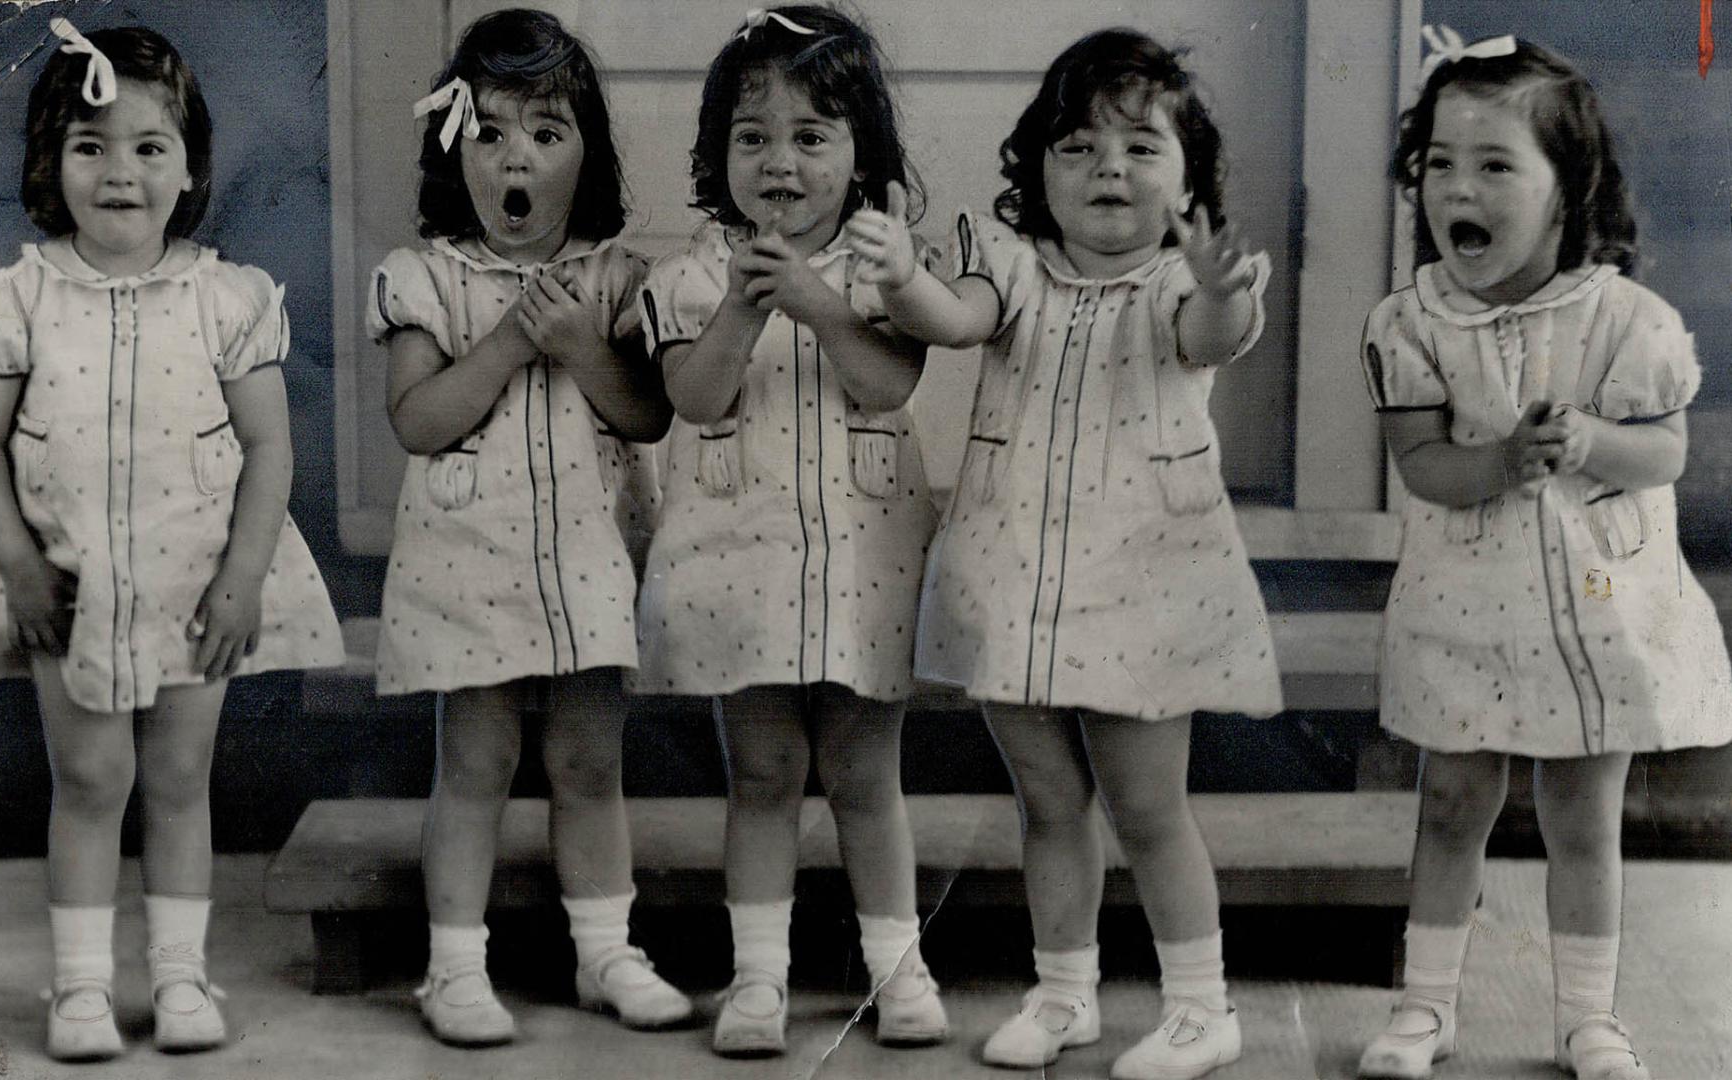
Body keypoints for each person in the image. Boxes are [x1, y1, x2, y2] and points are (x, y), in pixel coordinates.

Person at [850, 27, 1280, 1079]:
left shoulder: (1181, 285)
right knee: (1049, 802)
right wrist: (905, 276)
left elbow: (1213, 336)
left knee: (1146, 804)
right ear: (1037, 168)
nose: (1109, 171)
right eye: (1078, 147)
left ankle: (1199, 1006)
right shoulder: (1009, 268)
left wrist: (1224, 286)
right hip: (1014, 581)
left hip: (1143, 585)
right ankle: (1064, 994)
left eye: (1141, 147)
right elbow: (950, 321)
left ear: (1190, 178)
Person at [0, 19, 343, 1060]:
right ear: (51, 161)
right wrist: (21, 566)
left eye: (148, 147)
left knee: (176, 782)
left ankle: (177, 977)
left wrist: (244, 576)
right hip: (63, 588)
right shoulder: (13, 301)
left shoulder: (228, 299)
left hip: (192, 582)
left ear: (190, 163)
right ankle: (80, 990)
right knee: (89, 783)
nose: (119, 172)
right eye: (90, 146)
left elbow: (268, 448)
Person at [1353, 28, 1732, 1080]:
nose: (1454, 187)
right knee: (1449, 804)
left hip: (1594, 607)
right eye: (1437, 162)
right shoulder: (1413, 324)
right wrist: (1502, 462)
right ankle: (1425, 1009)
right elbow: (1424, 464)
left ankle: (1587, 1020)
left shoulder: (1626, 322)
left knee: (1581, 820)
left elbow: (1664, 451)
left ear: (1568, 190)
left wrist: (1595, 444)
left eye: (1493, 164)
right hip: (1465, 604)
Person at [368, 8, 686, 1046]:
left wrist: (584, 350)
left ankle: (605, 954)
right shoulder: (427, 278)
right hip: (468, 561)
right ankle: (454, 968)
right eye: (492, 130)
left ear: (584, 156)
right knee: (476, 761)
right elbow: (419, 421)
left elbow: (646, 411)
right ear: (452, 148)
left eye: (547, 134)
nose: (518, 158)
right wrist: (511, 340)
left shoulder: (618, 279)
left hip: (589, 557)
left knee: (591, 761)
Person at [637, 5, 946, 1057]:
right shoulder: (685, 274)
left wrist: (816, 301)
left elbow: (889, 379)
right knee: (763, 775)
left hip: (864, 558)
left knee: (865, 774)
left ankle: (899, 967)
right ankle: (759, 980)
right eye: (752, 135)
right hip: (741, 563)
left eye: (812, 135)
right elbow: (695, 395)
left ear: (861, 156)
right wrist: (743, 305)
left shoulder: (882, 272)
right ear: (716, 151)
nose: (780, 160)